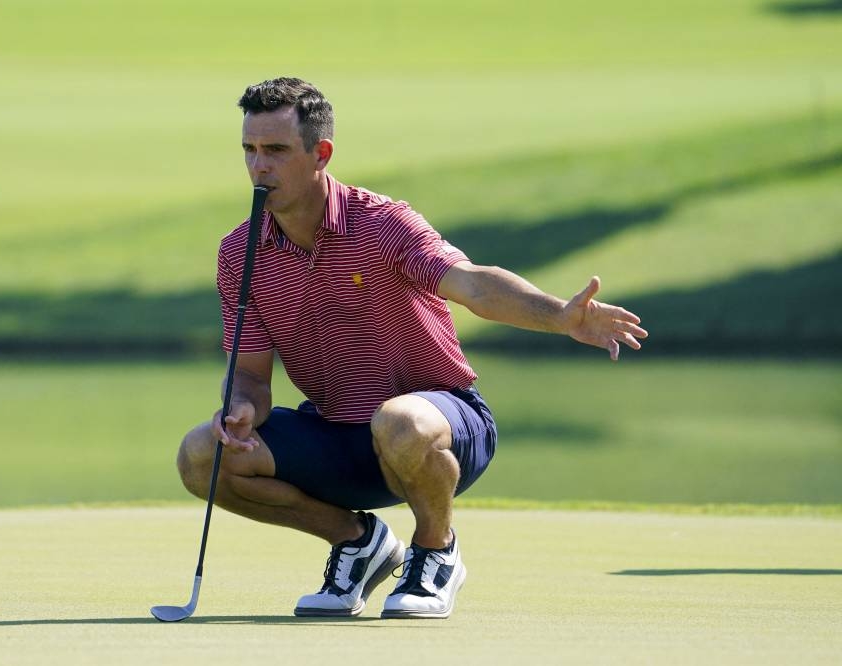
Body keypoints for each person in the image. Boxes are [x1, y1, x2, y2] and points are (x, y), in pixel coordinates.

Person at [177, 77, 648, 619]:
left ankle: (434, 551)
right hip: (338, 434)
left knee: (398, 420)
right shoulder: (241, 252)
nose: (260, 167)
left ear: (320, 154)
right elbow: (252, 377)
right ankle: (358, 543)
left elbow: (473, 285)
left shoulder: (381, 224)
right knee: (200, 456)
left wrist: (559, 316)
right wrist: (240, 407)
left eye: (276, 151)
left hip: (440, 424)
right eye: (250, 151)